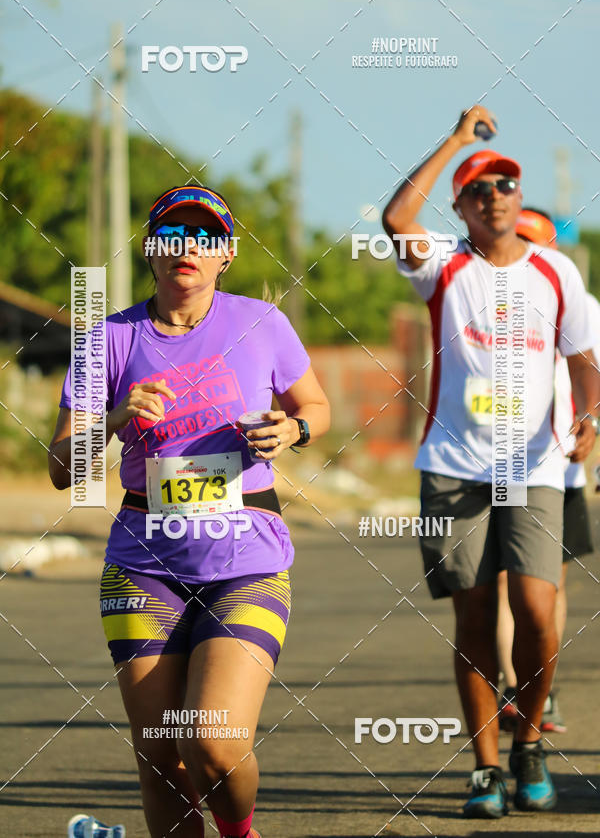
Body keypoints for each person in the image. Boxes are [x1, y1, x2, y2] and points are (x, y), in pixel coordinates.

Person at [48, 185, 331, 838]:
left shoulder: (262, 323)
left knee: (214, 742)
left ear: (226, 254)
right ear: (150, 248)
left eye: (205, 237)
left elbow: (315, 407)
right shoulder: (107, 339)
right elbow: (61, 468)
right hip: (143, 568)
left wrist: (293, 430)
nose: (188, 247)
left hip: (246, 562)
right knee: (162, 760)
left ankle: (240, 833)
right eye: (173, 234)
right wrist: (114, 419)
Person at [381, 107, 600, 819]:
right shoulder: (444, 268)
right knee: (475, 618)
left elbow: (582, 358)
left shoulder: (556, 271)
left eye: (504, 185)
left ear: (518, 195)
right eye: (478, 189)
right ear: (461, 207)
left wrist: (590, 414)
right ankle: (484, 769)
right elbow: (395, 218)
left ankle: (529, 744)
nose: (494, 196)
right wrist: (456, 140)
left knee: (537, 610)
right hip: (455, 465)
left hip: (535, 466)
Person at [496, 209, 600, 734]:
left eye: (534, 243)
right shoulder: (488, 296)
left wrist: (591, 428)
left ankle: (541, 689)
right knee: (507, 584)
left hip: (566, 468)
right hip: (509, 462)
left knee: (548, 586)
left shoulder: (581, 305)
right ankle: (516, 687)